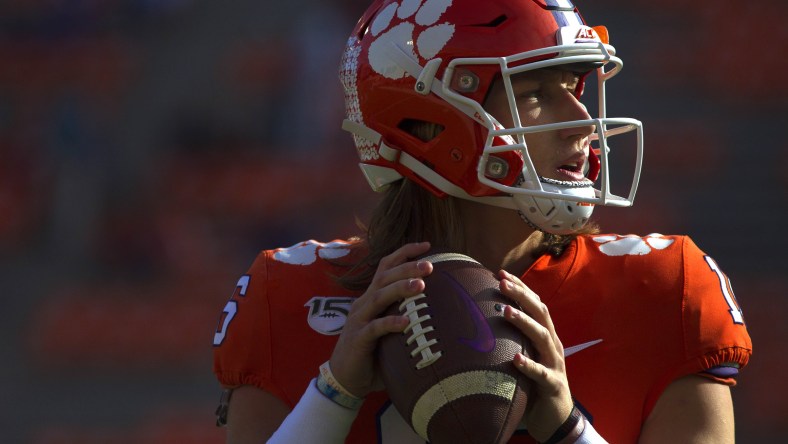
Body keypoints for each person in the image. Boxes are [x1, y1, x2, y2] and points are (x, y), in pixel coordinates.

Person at [211, 0, 752, 442]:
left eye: (575, 87)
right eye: (537, 93)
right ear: (431, 123)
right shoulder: (288, 294)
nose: (583, 122)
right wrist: (334, 393)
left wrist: (566, 431)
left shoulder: (662, 287)